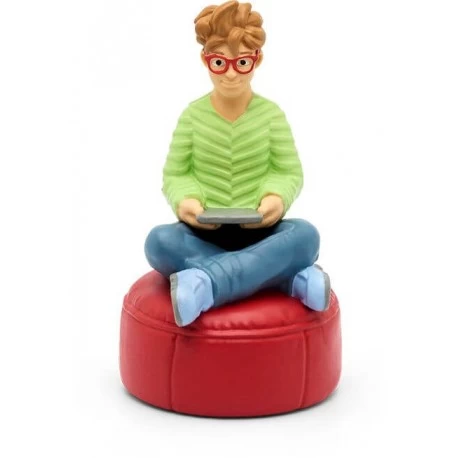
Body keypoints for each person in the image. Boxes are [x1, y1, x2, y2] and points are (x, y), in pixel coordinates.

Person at [145, 0, 331, 327]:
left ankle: (206, 284)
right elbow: (176, 173)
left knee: (306, 235)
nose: (231, 74)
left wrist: (275, 197)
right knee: (158, 242)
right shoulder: (192, 116)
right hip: (203, 233)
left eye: (242, 62)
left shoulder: (271, 115)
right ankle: (285, 279)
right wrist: (187, 200)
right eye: (219, 62)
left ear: (257, 60)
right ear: (205, 59)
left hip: (263, 232)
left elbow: (288, 170)